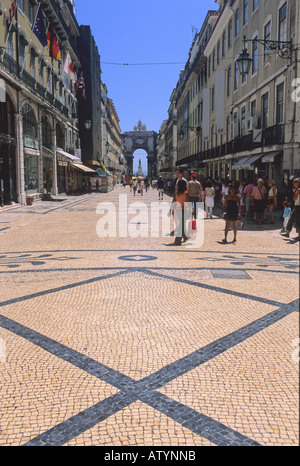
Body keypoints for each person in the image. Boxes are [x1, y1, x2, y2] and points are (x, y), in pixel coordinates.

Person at [170, 179, 189, 245]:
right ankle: (177, 240)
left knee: (181, 225)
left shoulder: (176, 194)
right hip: (184, 210)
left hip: (177, 211)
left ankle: (185, 237)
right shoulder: (186, 194)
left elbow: (174, 202)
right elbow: (187, 203)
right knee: (181, 225)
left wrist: (171, 210)